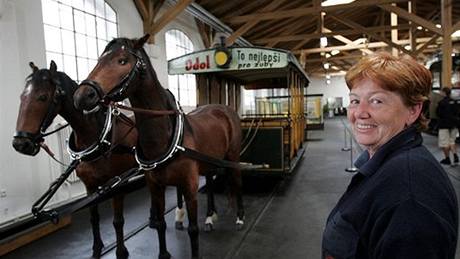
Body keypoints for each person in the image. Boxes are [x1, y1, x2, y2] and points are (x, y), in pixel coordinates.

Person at [322, 52, 458, 259]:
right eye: (355, 101)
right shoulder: (384, 165)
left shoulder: (410, 195)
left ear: (413, 110)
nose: (360, 112)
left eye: (376, 101)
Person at [436, 86, 459, 165]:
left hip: (444, 125)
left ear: (444, 93)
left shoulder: (441, 103)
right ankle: (455, 157)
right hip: (454, 124)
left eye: (441, 92)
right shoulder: (455, 102)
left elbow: (438, 114)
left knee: (444, 143)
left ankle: (447, 159)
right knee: (452, 141)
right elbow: (457, 112)